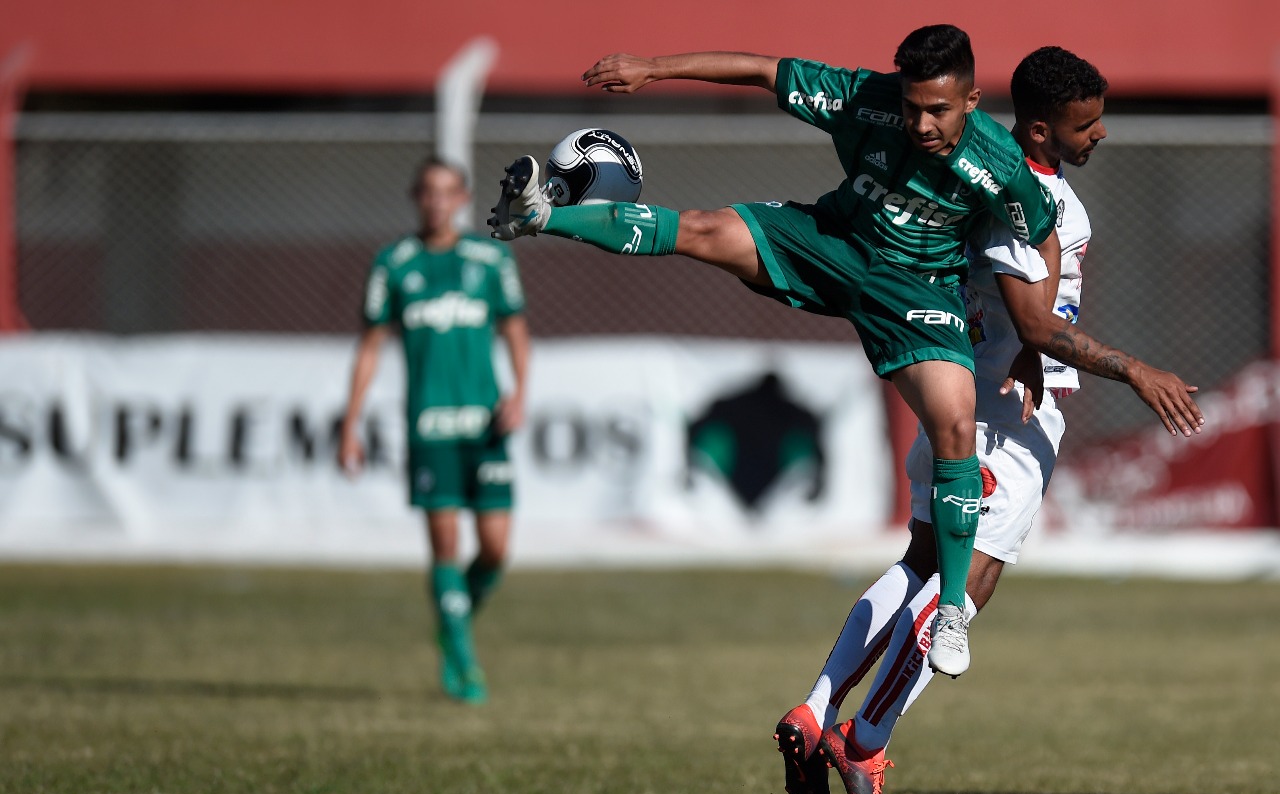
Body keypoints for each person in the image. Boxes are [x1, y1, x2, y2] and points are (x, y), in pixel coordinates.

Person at [489, 24, 1063, 680]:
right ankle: (538, 216)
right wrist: (655, 66)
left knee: (955, 426)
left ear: (970, 99)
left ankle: (952, 611)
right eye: (911, 107)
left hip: (917, 291)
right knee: (701, 229)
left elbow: (1041, 237)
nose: (921, 123)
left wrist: (1034, 336)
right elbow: (764, 70)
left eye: (937, 109)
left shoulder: (1000, 163)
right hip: (831, 241)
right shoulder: (864, 99)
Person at [773, 47, 1205, 794]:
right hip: (1002, 419)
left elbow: (1004, 303)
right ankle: (863, 742)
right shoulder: (1031, 195)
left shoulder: (974, 170)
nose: (1101, 132)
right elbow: (1036, 320)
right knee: (962, 589)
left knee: (917, 568)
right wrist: (1134, 369)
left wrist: (1030, 348)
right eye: (1088, 122)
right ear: (1042, 128)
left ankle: (814, 706)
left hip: (959, 389)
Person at [340, 156, 530, 705]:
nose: (438, 201)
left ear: (463, 197)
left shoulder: (491, 259)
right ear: (416, 197)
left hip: (486, 424)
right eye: (428, 191)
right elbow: (370, 348)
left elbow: (516, 330)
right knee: (446, 544)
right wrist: (350, 423)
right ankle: (465, 663)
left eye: (448, 192)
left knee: (495, 550)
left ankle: (453, 623)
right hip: (430, 426)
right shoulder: (394, 264)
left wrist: (520, 393)